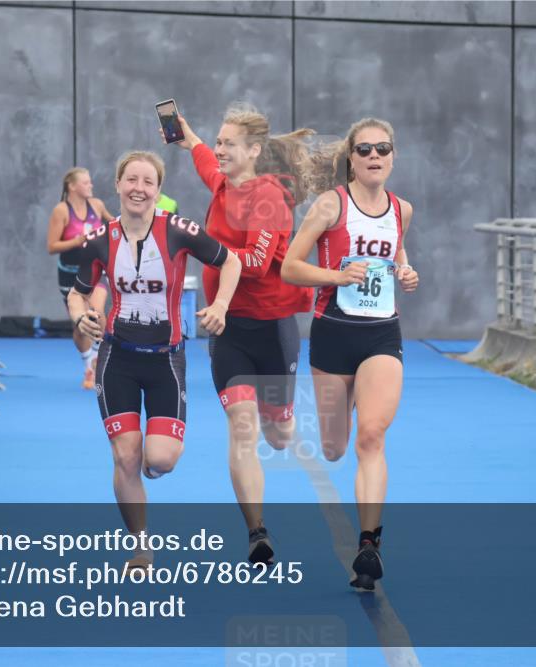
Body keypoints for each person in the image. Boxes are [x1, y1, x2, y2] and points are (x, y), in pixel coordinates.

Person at [67, 151, 240, 568]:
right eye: (131, 180)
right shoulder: (98, 240)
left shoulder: (179, 231)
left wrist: (220, 307)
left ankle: (151, 461)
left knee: (159, 460)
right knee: (125, 456)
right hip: (117, 359)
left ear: (159, 191)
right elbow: (77, 291)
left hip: (166, 361)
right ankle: (140, 546)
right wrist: (81, 317)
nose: (138, 189)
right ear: (118, 185)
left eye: (148, 182)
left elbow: (230, 260)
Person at [170, 105, 313, 564]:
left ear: (253, 151)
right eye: (219, 140)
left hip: (272, 328)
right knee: (242, 427)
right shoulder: (221, 183)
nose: (219, 149)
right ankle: (257, 532)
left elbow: (251, 262)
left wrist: (202, 245)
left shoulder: (269, 197)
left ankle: (286, 411)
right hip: (227, 329)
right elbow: (204, 161)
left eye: (229, 143)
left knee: (279, 434)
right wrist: (188, 136)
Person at [281, 118, 419, 590]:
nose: (375, 156)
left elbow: (396, 255)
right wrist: (338, 277)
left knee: (372, 438)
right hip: (333, 334)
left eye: (383, 148)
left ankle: (369, 545)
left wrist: (406, 271)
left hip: (381, 334)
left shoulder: (402, 209)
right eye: (365, 150)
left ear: (393, 156)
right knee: (335, 447)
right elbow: (290, 268)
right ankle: (347, 407)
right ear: (351, 160)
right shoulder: (330, 205)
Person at [47, 167, 114, 389]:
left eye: (90, 182)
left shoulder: (97, 205)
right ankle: (87, 365)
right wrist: (77, 241)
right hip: (70, 273)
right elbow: (52, 246)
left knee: (97, 312)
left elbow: (114, 224)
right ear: (72, 186)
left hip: (95, 269)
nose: (90, 186)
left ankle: (96, 359)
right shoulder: (61, 211)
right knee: (81, 322)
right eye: (85, 182)